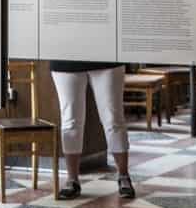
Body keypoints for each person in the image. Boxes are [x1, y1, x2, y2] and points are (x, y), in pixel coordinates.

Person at [50, 61, 134, 200]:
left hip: (107, 59)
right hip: (65, 58)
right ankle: (72, 180)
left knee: (113, 119)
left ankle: (124, 176)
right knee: (70, 120)